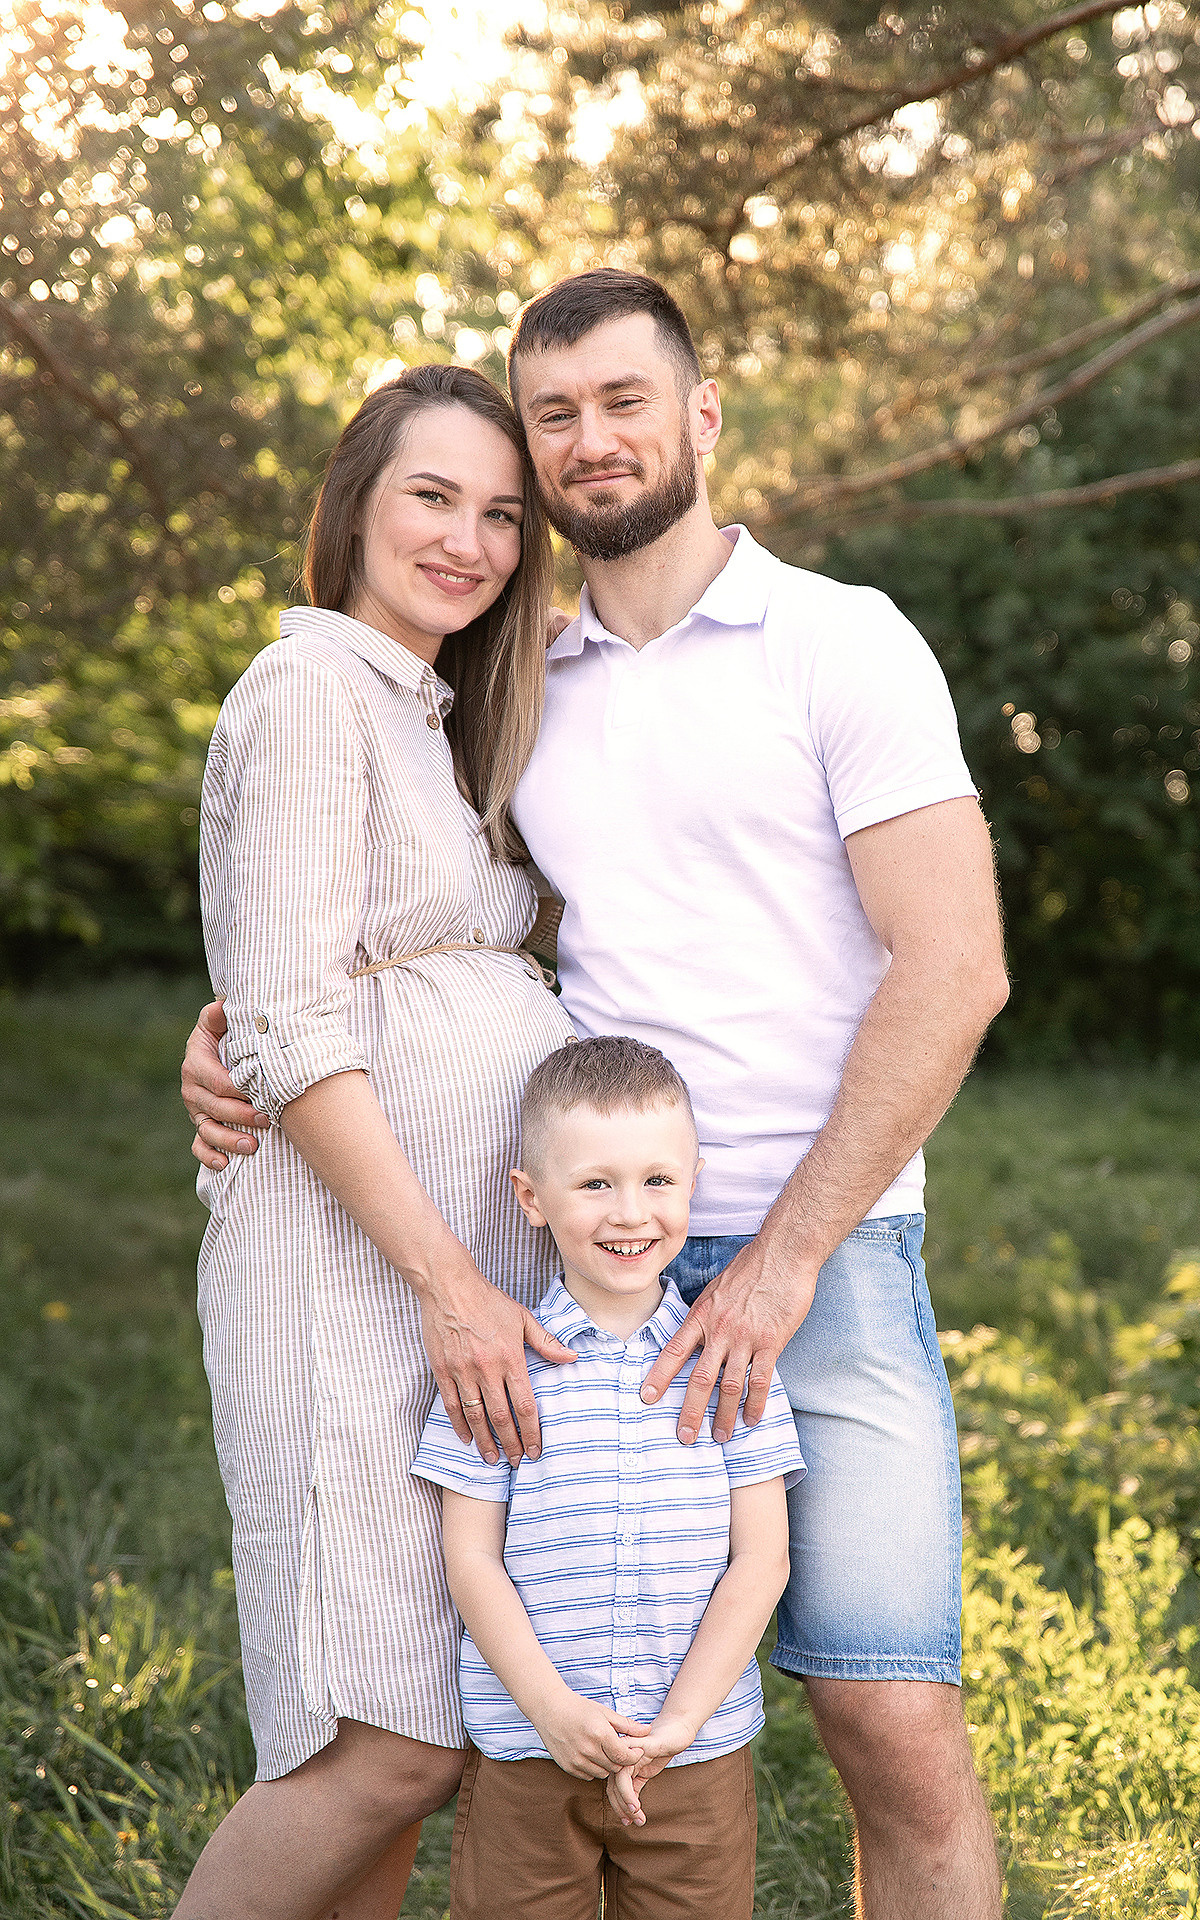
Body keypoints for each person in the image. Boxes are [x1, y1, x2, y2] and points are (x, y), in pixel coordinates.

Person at [185, 268, 1010, 1918]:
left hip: (816, 1257)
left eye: (623, 401)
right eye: (550, 416)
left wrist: (776, 1264)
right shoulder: (516, 686)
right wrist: (231, 1045)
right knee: (456, 1719)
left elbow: (957, 969)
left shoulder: (838, 640)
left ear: (702, 416)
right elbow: (387, 934)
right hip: (564, 1274)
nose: (587, 442)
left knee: (886, 1714)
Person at [174, 363, 583, 1920]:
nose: (470, 539)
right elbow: (283, 1016)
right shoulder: (307, 690)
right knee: (377, 1749)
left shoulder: (429, 709)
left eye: (499, 513)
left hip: (439, 1280)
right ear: (351, 503)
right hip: (354, 1279)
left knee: (411, 1744)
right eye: (433, 494)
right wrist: (450, 1285)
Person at [415, 1034, 804, 1920]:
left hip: (694, 1758)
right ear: (532, 1198)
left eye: (657, 1181)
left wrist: (680, 1725)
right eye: (595, 1183)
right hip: (528, 1748)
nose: (630, 1212)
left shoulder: (731, 1366)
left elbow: (761, 1563)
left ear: (694, 1181)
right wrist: (550, 1710)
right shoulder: (499, 1369)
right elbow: (471, 1560)